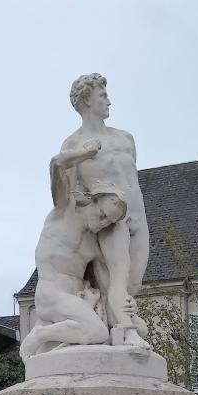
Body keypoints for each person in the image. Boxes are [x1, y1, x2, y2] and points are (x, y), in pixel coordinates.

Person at [53, 73, 150, 347]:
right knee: (118, 275)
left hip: (138, 215)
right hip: (109, 219)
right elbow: (65, 197)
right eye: (102, 96)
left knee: (134, 284)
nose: (109, 101)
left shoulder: (126, 139)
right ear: (86, 101)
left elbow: (133, 182)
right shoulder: (73, 145)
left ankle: (113, 321)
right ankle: (127, 330)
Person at [19, 145, 128, 361]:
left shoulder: (95, 245)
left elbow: (109, 284)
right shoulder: (65, 208)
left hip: (77, 300)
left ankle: (52, 335)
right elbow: (56, 164)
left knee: (96, 333)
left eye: (109, 221)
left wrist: (127, 309)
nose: (104, 222)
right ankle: (40, 335)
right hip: (51, 291)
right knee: (97, 332)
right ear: (95, 199)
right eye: (103, 214)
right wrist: (84, 154)